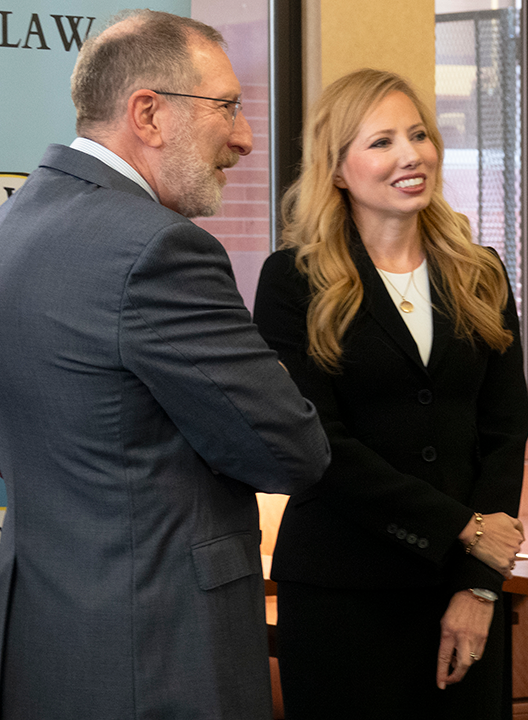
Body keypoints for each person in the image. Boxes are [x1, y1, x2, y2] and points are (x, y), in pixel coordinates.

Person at [0, 10, 330, 720]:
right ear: (147, 112)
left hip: (44, 646)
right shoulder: (159, 250)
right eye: (229, 108)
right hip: (157, 657)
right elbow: (291, 449)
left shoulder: (18, 222)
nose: (244, 138)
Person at [253, 68, 528, 718]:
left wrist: (480, 587)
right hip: (340, 598)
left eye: (419, 135)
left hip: (460, 592)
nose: (411, 155)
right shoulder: (292, 281)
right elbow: (319, 448)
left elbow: (505, 432)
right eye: (382, 142)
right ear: (339, 169)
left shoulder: (480, 273)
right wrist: (463, 528)